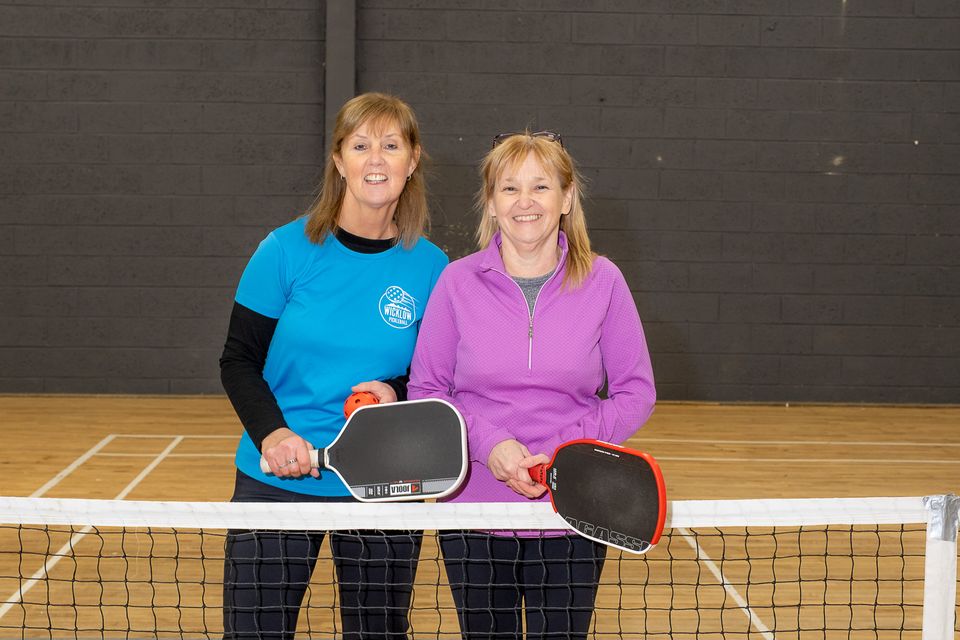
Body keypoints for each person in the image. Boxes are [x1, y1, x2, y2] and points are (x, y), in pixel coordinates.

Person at [407, 130, 656, 639]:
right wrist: (491, 445)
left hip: (574, 505)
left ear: (566, 199)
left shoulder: (604, 280)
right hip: (473, 506)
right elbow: (427, 389)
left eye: (540, 187)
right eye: (509, 188)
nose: (525, 202)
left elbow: (636, 391)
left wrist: (565, 449)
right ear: (492, 204)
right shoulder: (456, 282)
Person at [219, 92, 448, 640]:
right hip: (276, 478)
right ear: (339, 160)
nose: (376, 159)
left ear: (411, 160)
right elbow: (239, 360)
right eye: (361, 145)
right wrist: (273, 434)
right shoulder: (284, 250)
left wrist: (394, 389)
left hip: (384, 482)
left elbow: (435, 378)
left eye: (391, 146)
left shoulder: (435, 269)